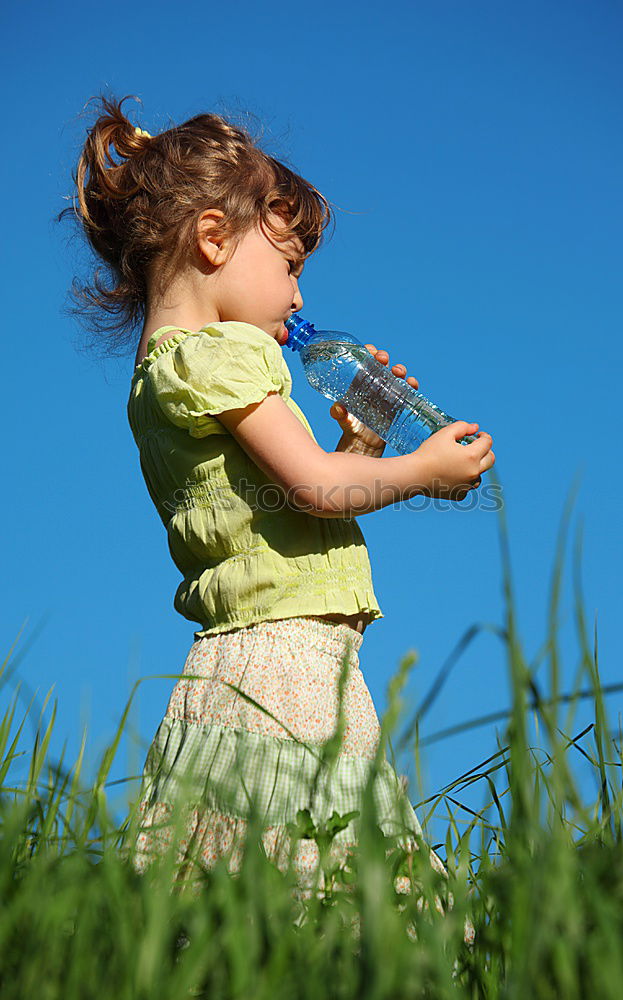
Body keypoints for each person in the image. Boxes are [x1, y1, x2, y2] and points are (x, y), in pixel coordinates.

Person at [61, 95, 495, 903]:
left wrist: (362, 444)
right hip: (284, 666)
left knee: (245, 890)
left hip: (239, 665)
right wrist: (422, 472)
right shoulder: (223, 354)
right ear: (213, 239)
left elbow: (286, 499)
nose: (297, 298)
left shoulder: (167, 367)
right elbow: (316, 492)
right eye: (289, 265)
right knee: (343, 890)